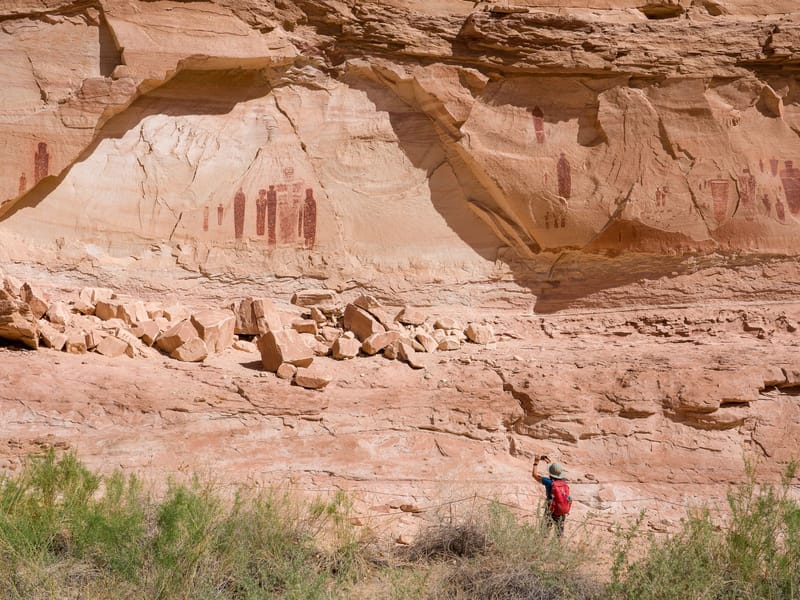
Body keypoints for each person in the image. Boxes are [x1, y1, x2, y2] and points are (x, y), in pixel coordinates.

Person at [532, 454, 572, 536]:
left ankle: (543, 542)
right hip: (561, 511)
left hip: (551, 510)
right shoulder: (563, 482)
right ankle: (559, 544)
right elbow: (554, 472)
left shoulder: (548, 482)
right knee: (559, 534)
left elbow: (534, 475)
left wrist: (536, 463)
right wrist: (548, 462)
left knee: (544, 532)